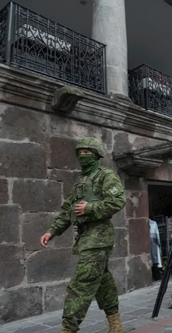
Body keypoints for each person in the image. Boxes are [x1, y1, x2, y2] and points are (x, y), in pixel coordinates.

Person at [39, 138, 126, 333]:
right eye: (80, 152)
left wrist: (90, 207)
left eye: (87, 152)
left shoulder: (106, 175)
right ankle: (116, 323)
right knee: (103, 282)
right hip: (85, 238)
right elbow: (67, 210)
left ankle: (68, 328)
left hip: (99, 237)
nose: (82, 155)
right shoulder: (81, 181)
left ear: (96, 154)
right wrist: (51, 231)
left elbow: (118, 201)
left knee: (81, 283)